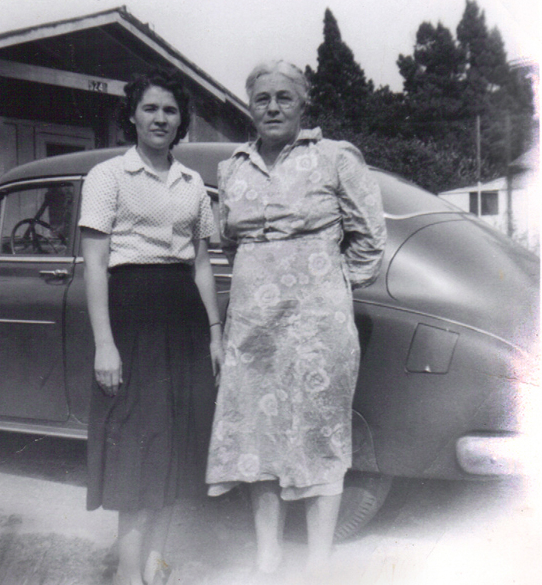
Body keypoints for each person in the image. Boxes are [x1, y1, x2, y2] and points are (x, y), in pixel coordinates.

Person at [206, 60, 386, 581]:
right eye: (262, 98)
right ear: (249, 106)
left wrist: (326, 289)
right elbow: (229, 238)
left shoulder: (335, 158)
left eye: (284, 97)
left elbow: (370, 240)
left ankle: (319, 560)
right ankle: (267, 555)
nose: (273, 107)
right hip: (252, 327)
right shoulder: (232, 167)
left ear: (304, 104)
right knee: (255, 436)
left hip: (318, 325)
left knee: (319, 434)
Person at [79, 68, 223, 585]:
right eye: (151, 108)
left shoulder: (193, 187)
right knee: (137, 452)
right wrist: (104, 346)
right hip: (130, 318)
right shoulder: (107, 178)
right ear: (132, 116)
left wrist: (214, 332)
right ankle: (126, 576)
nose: (161, 118)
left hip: (183, 319)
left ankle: (156, 569)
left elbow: (202, 265)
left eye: (170, 110)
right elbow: (95, 265)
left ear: (181, 120)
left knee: (177, 448)